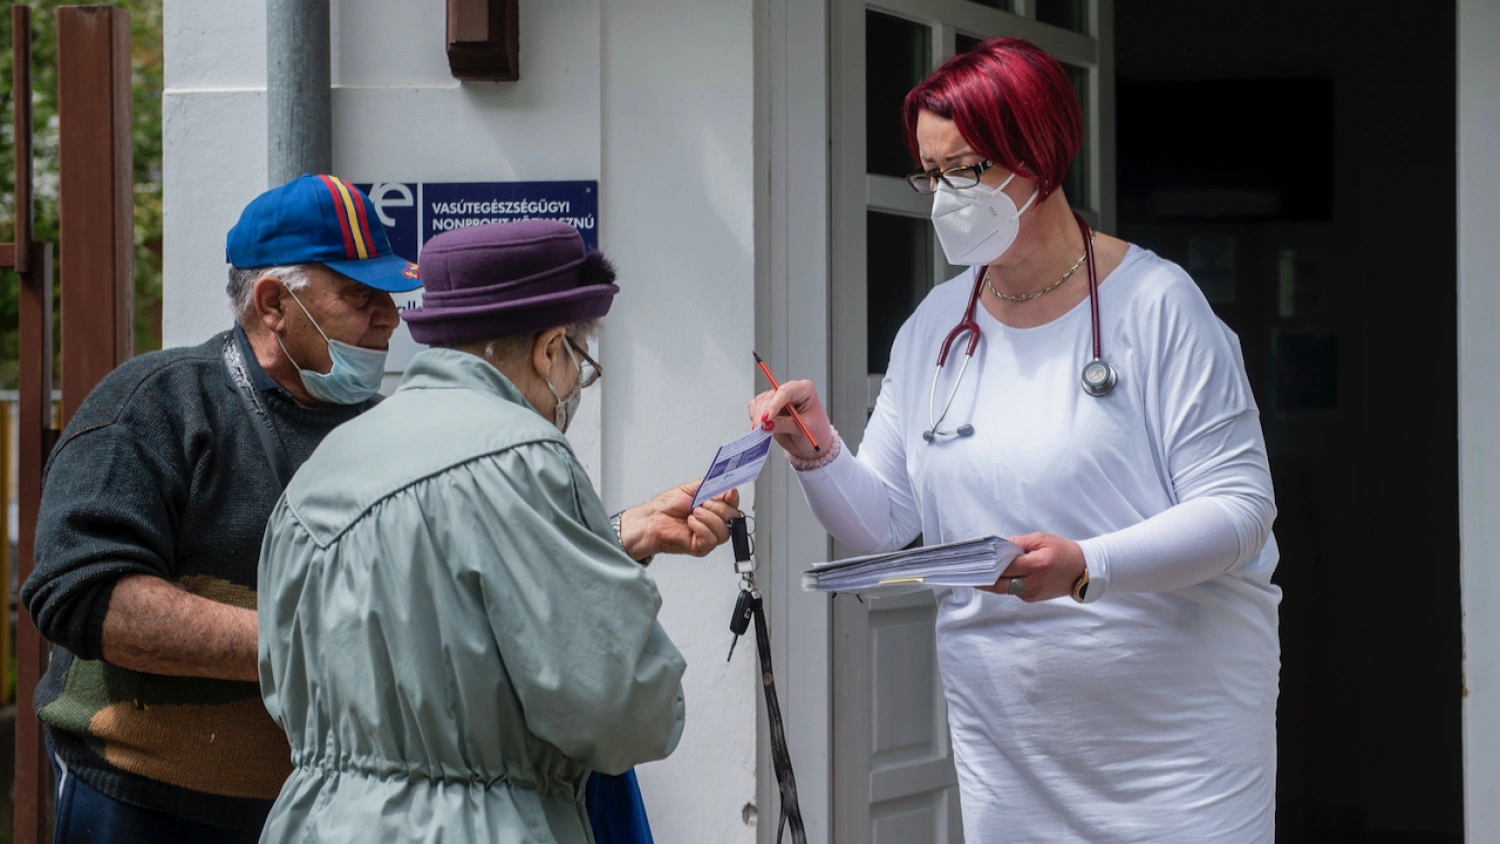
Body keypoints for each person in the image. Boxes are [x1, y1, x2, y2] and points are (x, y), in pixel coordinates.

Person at [20, 178, 721, 844]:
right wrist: (329, 646)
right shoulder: (153, 406)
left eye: (394, 293)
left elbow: (448, 578)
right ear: (272, 303)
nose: (392, 317)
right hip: (143, 806)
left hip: (304, 809)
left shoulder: (376, 427)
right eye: (362, 297)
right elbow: (83, 597)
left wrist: (610, 537)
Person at [749, 38, 1280, 843]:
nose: (943, 196)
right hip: (1012, 750)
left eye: (966, 168)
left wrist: (1086, 566)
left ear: (1037, 156)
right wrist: (817, 451)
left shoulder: (1159, 307)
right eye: (930, 174)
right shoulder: (935, 327)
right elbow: (889, 528)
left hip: (1180, 756)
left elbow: (1240, 512)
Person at [255, 220, 740, 844]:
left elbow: (284, 674)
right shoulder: (525, 456)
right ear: (549, 349)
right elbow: (623, 709)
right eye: (579, 366)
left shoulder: (322, 468)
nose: (574, 387)